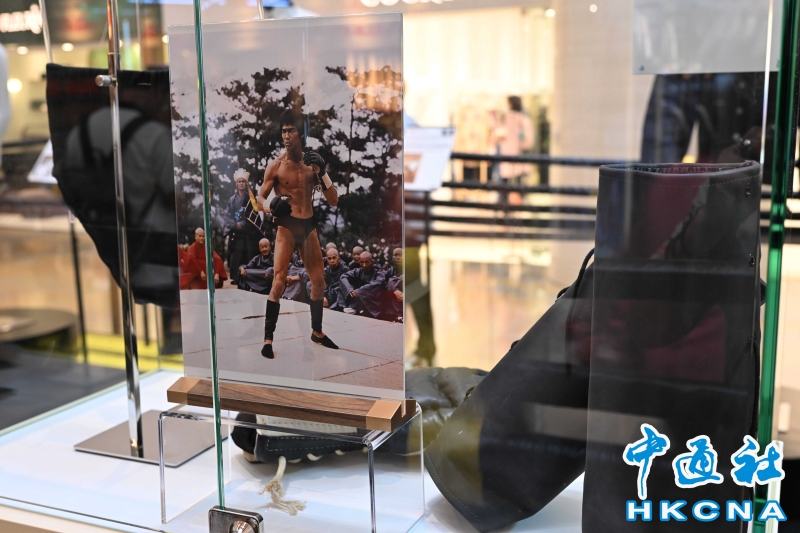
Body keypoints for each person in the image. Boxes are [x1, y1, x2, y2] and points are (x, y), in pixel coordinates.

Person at [256, 108, 339, 359]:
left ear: (301, 134)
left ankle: (317, 331)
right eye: (283, 131)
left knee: (319, 282)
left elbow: (334, 200)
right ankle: (268, 339)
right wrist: (270, 206)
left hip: (308, 225)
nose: (286, 136)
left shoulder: (313, 164)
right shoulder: (276, 166)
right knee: (279, 281)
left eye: (291, 130)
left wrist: (323, 173)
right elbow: (259, 199)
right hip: (287, 225)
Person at [224, 169, 262, 285]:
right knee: (236, 254)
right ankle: (236, 277)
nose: (241, 183)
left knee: (249, 254)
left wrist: (244, 224)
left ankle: (249, 277)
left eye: (243, 181)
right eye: (239, 181)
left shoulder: (251, 199)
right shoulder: (232, 200)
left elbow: (254, 216)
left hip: (249, 233)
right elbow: (228, 216)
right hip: (236, 233)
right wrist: (235, 225)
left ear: (246, 183)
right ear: (236, 183)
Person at [341, 251, 389, 319]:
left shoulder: (378, 272)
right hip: (359, 300)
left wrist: (360, 291)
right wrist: (350, 290)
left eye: (367, 262)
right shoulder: (358, 271)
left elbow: (379, 282)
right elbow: (343, 277)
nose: (364, 265)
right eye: (362, 262)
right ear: (359, 262)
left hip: (374, 302)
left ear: (372, 263)